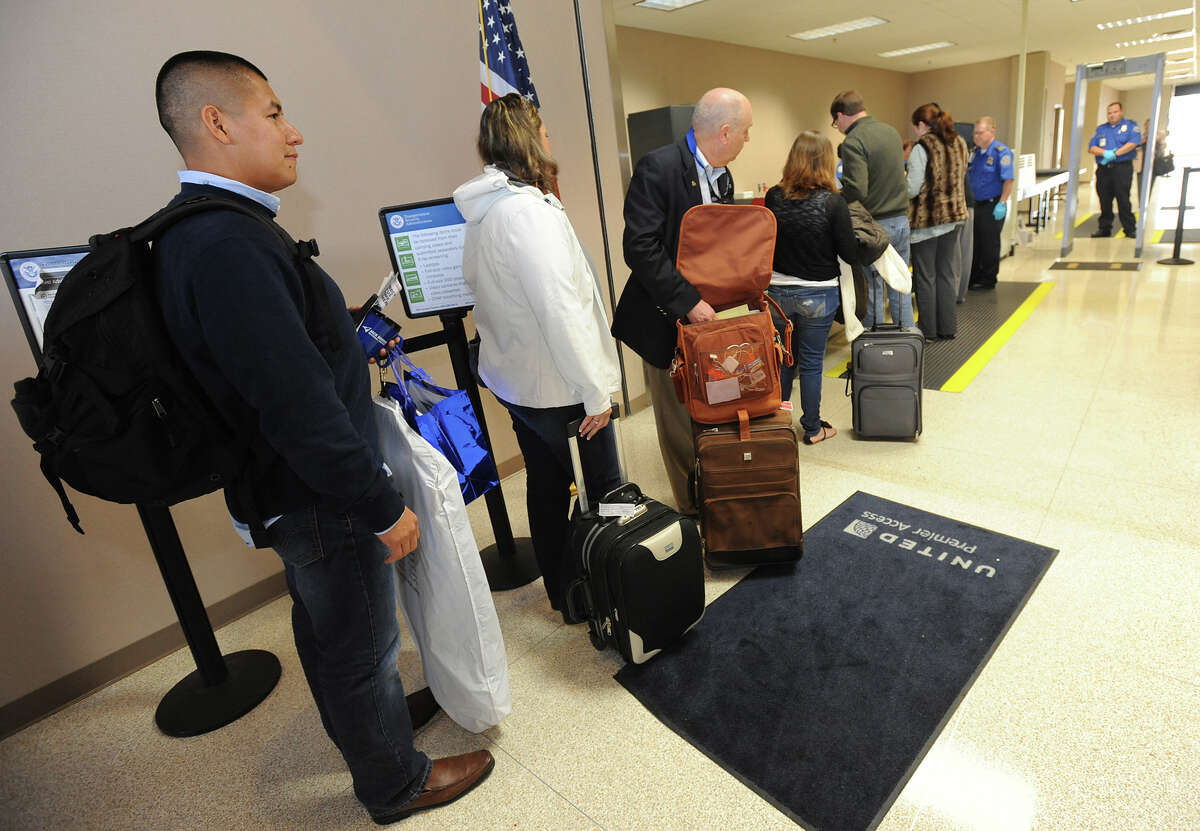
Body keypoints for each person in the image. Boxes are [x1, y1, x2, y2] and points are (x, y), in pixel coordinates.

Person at [152, 51, 493, 825]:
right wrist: (379, 504)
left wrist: (342, 334)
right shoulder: (228, 244)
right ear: (216, 121)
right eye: (273, 113)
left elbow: (269, 356)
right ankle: (394, 781)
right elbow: (294, 400)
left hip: (285, 485)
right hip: (320, 493)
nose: (293, 131)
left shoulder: (206, 235)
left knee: (327, 627)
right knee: (360, 642)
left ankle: (367, 729)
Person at [453, 93, 622, 620]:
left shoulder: (486, 212)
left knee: (547, 486)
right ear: (530, 140)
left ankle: (566, 593)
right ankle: (610, 596)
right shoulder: (528, 214)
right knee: (603, 494)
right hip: (560, 389)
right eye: (544, 131)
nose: (551, 139)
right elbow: (561, 310)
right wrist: (596, 391)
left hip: (518, 384)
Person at [611, 87, 753, 514]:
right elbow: (640, 248)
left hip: (709, 321)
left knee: (716, 407)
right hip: (663, 318)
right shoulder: (659, 168)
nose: (748, 140)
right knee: (676, 421)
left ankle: (719, 489)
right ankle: (695, 512)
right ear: (725, 132)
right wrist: (688, 302)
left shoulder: (722, 175)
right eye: (746, 132)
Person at [764, 131, 858, 445]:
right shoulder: (834, 202)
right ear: (827, 161)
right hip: (818, 293)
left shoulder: (773, 197)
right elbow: (849, 253)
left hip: (777, 294)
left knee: (782, 360)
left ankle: (777, 424)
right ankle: (813, 427)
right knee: (812, 362)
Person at [831, 90, 913, 329]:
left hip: (874, 226)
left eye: (836, 123)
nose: (837, 127)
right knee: (900, 285)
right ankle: (907, 341)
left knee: (873, 290)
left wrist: (834, 198)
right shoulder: (890, 132)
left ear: (841, 115)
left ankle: (873, 351)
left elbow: (857, 189)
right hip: (900, 220)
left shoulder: (854, 141)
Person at [906, 103, 968, 340]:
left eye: (915, 127)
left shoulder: (922, 147)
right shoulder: (959, 142)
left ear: (922, 125)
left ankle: (928, 330)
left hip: (928, 222)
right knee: (946, 274)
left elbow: (912, 188)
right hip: (954, 218)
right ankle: (948, 327)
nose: (915, 132)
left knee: (925, 277)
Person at [967, 116, 1014, 291]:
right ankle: (973, 277)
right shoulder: (975, 153)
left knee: (989, 244)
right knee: (975, 243)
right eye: (975, 133)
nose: (976, 137)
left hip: (992, 205)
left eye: (980, 133)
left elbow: (1008, 180)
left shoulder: (1001, 152)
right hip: (975, 205)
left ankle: (988, 279)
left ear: (991, 131)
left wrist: (1002, 202)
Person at [1088, 102, 1141, 238]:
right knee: (1104, 199)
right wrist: (1105, 153)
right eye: (1109, 113)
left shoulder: (1130, 126)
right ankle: (1104, 228)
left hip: (1122, 168)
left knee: (1123, 199)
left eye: (1115, 112)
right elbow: (1092, 147)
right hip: (1104, 169)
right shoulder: (1102, 129)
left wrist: (1116, 153)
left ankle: (1129, 229)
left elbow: (1133, 143)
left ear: (1121, 112)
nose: (1112, 115)